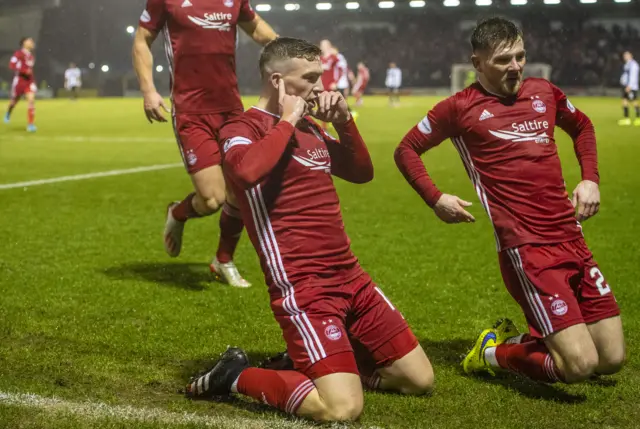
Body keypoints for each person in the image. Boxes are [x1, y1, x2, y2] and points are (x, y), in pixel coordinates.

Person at [185, 37, 434, 422]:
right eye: (312, 78)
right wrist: (285, 120)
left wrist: (344, 123)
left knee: (418, 380)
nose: (321, 86)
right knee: (342, 409)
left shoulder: (312, 128)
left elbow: (361, 172)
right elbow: (245, 172)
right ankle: (235, 376)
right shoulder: (243, 127)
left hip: (352, 278)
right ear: (277, 81)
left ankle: (319, 363)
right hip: (304, 289)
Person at [394, 17, 624, 385]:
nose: (515, 66)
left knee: (611, 359)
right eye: (503, 60)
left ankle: (536, 339)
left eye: (520, 56)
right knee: (579, 367)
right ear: (477, 63)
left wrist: (590, 180)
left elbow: (582, 126)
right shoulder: (459, 108)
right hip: (527, 249)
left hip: (572, 236)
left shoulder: (544, 91)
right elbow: (407, 149)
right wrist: (435, 198)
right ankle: (492, 353)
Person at [133, 0, 278, 287]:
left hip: (231, 109)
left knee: (241, 188)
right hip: (191, 112)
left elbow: (259, 30)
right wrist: (148, 90)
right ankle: (178, 212)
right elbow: (141, 40)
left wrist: (292, 52)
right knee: (213, 200)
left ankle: (223, 260)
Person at [4, 37, 37, 132]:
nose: (32, 42)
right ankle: (8, 112)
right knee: (14, 101)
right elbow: (12, 65)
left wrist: (32, 81)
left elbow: (30, 70)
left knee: (31, 101)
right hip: (19, 81)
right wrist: (23, 71)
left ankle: (31, 124)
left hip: (29, 82)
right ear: (24, 43)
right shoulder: (18, 54)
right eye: (29, 41)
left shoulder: (31, 56)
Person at [618, 51, 639, 126]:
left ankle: (638, 118)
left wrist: (629, 86)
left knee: (634, 101)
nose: (625, 57)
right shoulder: (628, 64)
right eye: (624, 55)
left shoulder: (633, 65)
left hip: (630, 87)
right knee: (624, 100)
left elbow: (633, 76)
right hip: (626, 85)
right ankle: (627, 119)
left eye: (627, 55)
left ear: (631, 56)